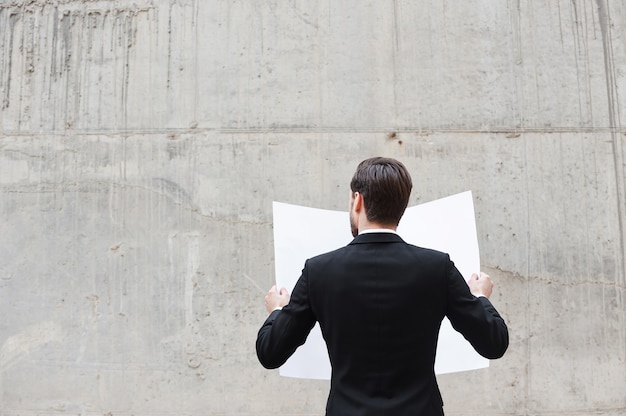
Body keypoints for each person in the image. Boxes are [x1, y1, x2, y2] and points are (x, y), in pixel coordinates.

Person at [256, 157, 509, 416]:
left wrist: (277, 311)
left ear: (357, 200)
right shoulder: (437, 267)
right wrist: (480, 296)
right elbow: (494, 343)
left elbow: (270, 353)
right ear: (401, 205)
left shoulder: (318, 271)